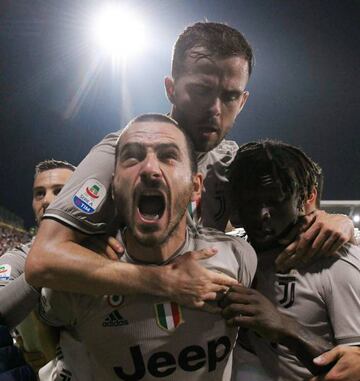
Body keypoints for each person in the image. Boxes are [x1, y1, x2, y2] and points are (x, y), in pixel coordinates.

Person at [25, 22, 354, 307]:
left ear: (243, 101)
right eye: (201, 90)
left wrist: (337, 223)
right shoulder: (120, 153)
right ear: (171, 88)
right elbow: (43, 260)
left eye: (228, 96)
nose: (214, 108)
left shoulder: (231, 161)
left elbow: (276, 220)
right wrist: (163, 281)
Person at [38, 114, 257, 381]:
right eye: (132, 156)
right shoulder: (78, 279)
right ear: (114, 186)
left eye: (168, 156)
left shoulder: (238, 257)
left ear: (195, 186)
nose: (150, 169)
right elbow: (45, 329)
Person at [223, 140, 360, 380]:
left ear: (304, 198)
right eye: (251, 202)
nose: (262, 213)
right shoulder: (232, 251)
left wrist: (284, 327)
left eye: (275, 201)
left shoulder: (339, 261)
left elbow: (353, 369)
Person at [0, 160, 75, 372]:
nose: (47, 201)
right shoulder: (22, 256)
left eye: (59, 191)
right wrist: (40, 272)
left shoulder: (110, 245)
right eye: (39, 194)